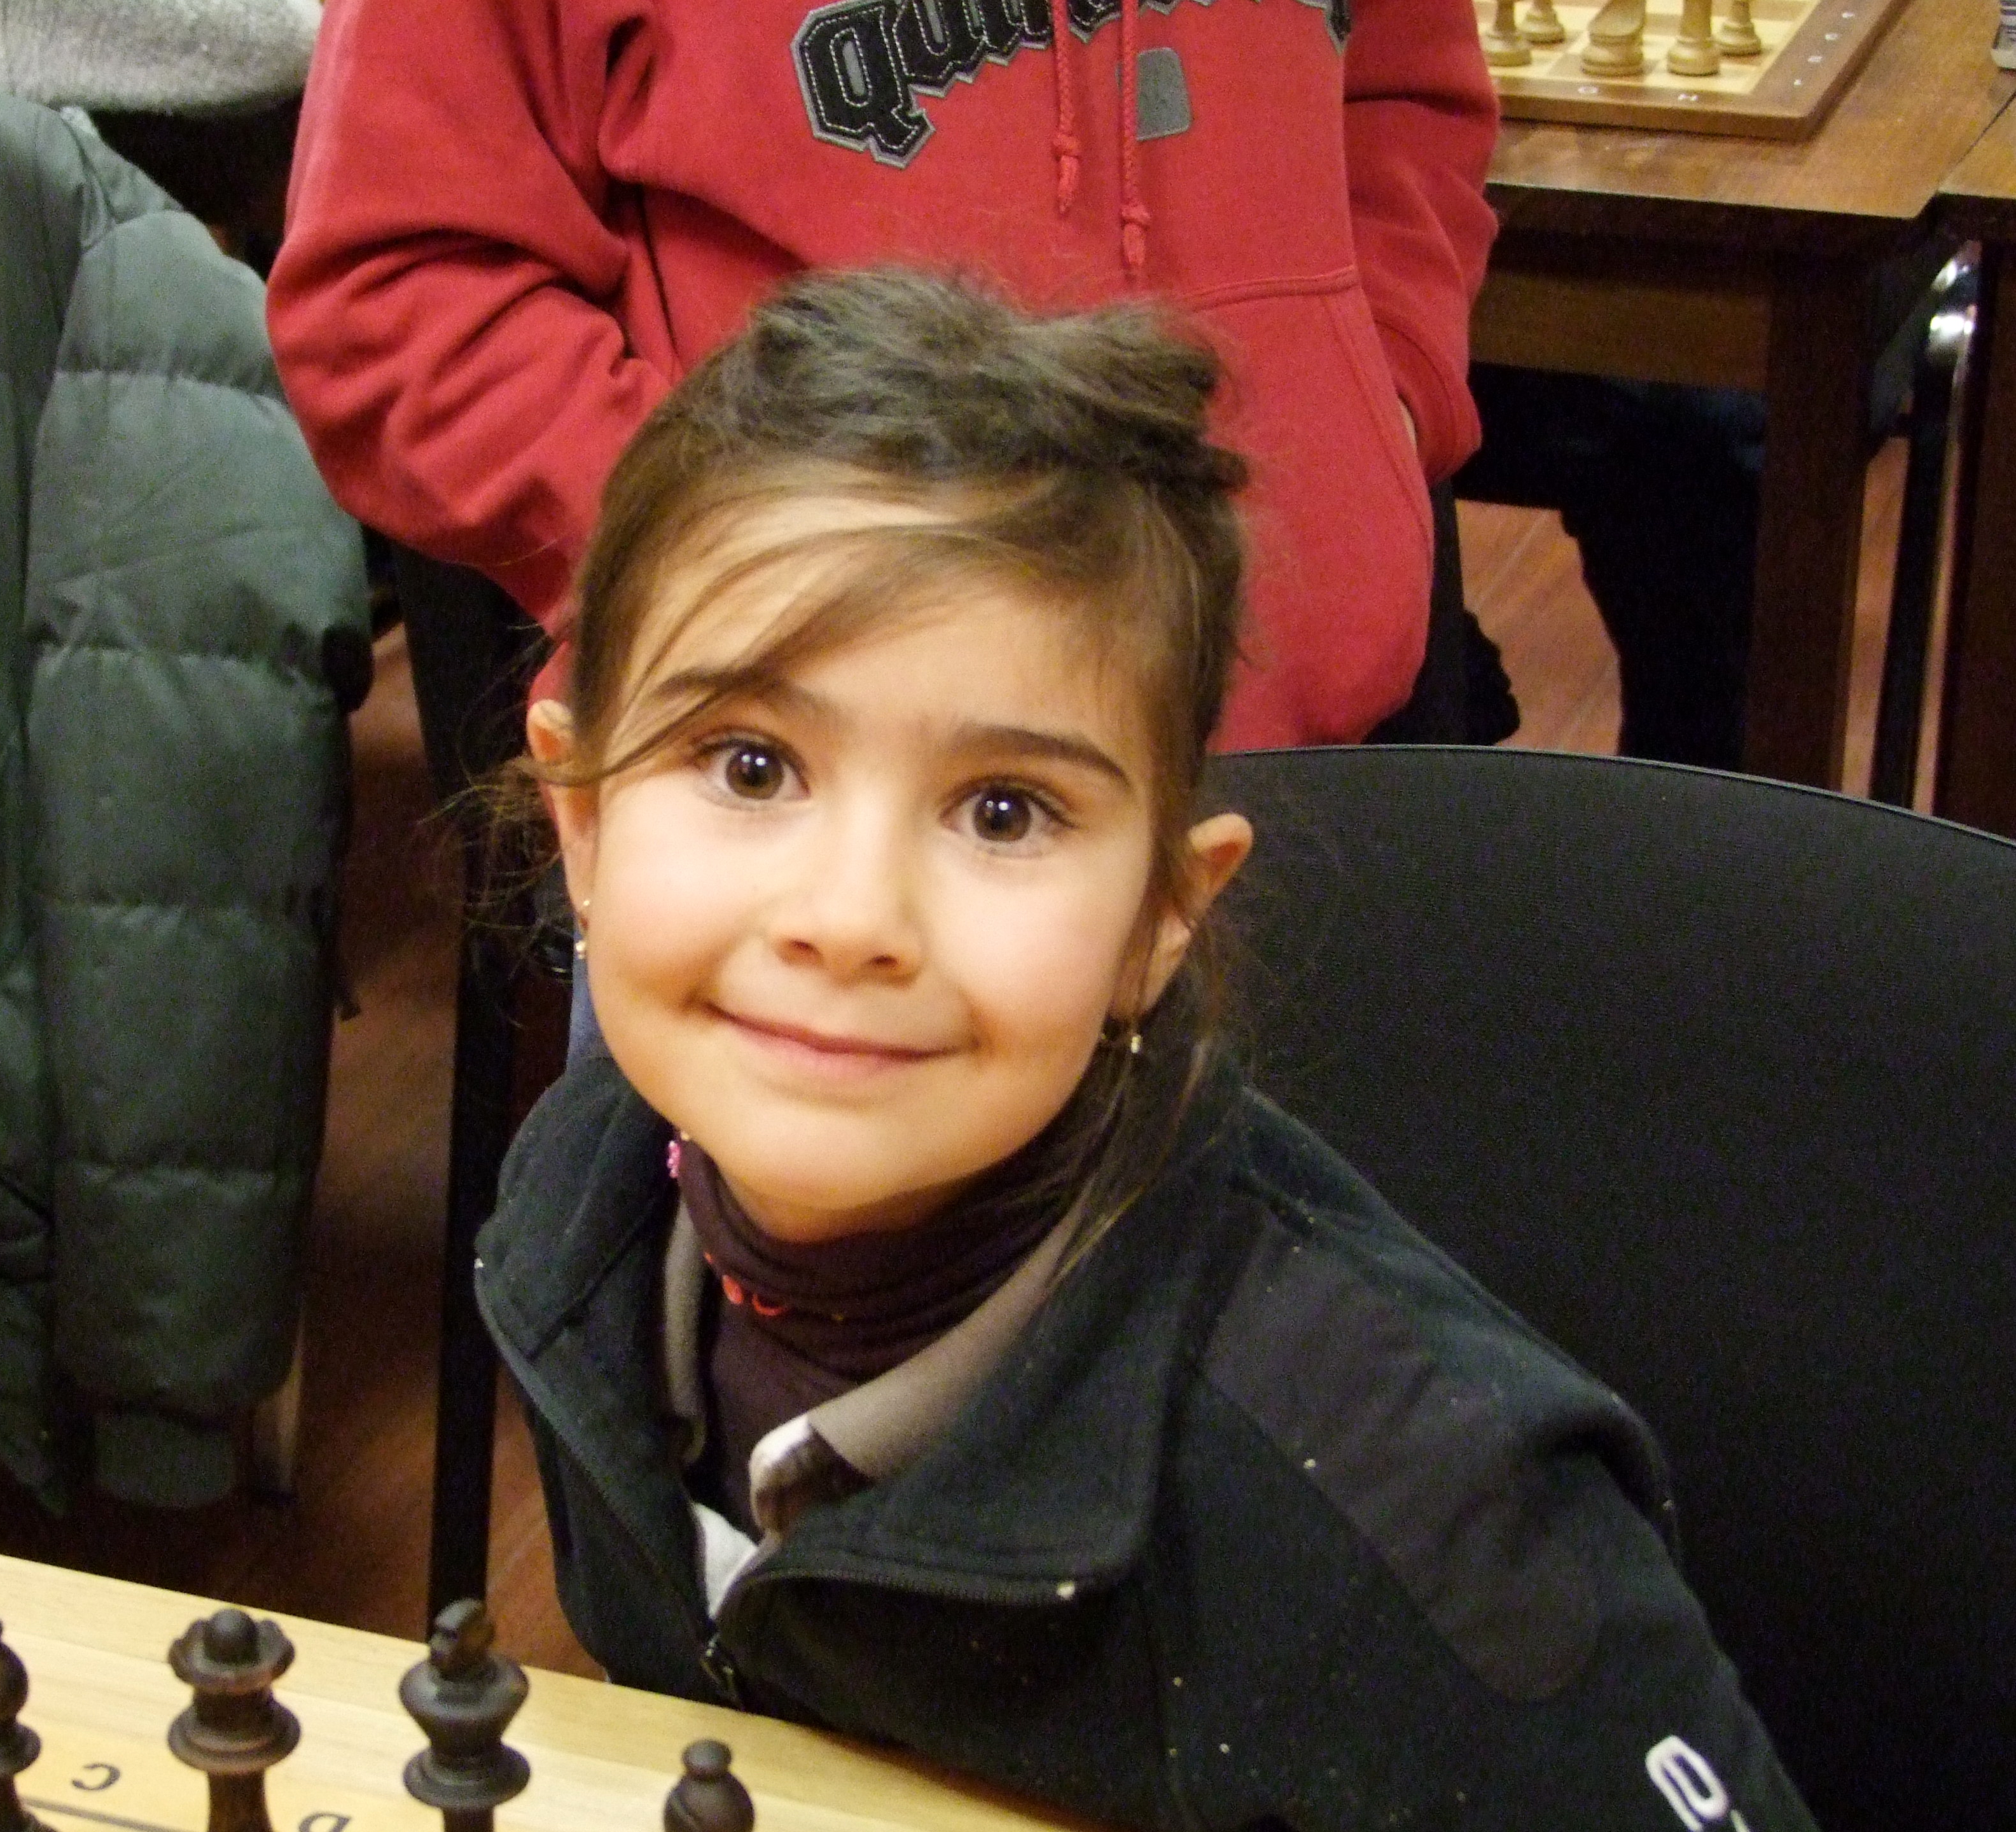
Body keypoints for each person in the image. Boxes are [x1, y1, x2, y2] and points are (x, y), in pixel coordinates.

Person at [473, 269, 1814, 1831]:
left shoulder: (1423, 1518)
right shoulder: (581, 1211)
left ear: (1159, 921)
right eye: (751, 765)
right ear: (582, 821)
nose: (849, 920)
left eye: (1004, 812)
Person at [267, 0, 1503, 751]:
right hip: (822, 804)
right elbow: (398, 292)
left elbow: (1407, 97)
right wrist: (752, 570)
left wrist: (1380, 408)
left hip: (1311, 762)